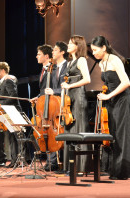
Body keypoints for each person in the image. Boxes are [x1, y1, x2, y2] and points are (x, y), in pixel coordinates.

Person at [91, 35, 130, 180]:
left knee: (121, 135)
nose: (93, 53)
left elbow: (126, 82)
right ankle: (114, 169)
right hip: (112, 100)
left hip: (122, 100)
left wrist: (108, 96)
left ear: (104, 48)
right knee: (113, 135)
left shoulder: (115, 60)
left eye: (95, 50)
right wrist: (104, 94)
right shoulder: (102, 63)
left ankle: (123, 171)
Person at [61, 35, 91, 174]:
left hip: (78, 96)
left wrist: (70, 85)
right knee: (70, 129)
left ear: (78, 46)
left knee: (78, 128)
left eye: (70, 43)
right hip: (70, 98)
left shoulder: (81, 60)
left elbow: (87, 79)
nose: (68, 45)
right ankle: (71, 166)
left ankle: (81, 167)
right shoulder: (69, 62)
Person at [44, 42, 69, 171]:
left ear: (62, 52)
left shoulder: (67, 66)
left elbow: (66, 86)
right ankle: (52, 161)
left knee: (62, 131)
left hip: (64, 104)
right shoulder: (53, 68)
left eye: (55, 50)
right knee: (52, 131)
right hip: (54, 105)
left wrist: (55, 91)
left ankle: (64, 163)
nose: (52, 52)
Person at [0, 62, 22, 168]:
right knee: (11, 138)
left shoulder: (8, 80)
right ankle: (15, 161)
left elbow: (14, 96)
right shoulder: (3, 82)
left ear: (2, 71)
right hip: (8, 113)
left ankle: (21, 160)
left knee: (17, 138)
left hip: (13, 112)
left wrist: (1, 104)